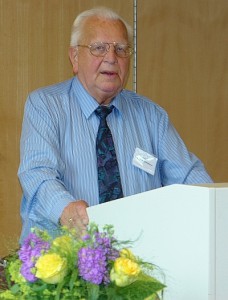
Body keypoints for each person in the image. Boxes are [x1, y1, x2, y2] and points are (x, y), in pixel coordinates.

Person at [18, 6, 213, 242]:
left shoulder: (151, 115)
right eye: (99, 48)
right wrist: (66, 209)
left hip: (136, 265)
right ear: (75, 57)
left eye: (121, 49)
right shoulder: (46, 105)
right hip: (63, 262)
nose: (111, 58)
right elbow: (37, 173)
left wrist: (214, 203)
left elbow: (189, 178)